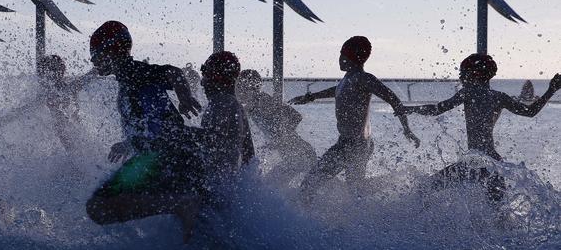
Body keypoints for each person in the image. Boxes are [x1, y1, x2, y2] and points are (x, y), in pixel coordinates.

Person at [84, 21, 203, 243]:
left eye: (96, 53)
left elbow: (173, 73)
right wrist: (129, 143)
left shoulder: (135, 72)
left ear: (113, 51)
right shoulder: (127, 80)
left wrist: (184, 97)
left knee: (99, 207)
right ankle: (180, 206)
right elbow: (150, 125)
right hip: (164, 155)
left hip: (166, 158)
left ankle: (180, 203)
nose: (93, 60)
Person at [398, 54, 561, 201]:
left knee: (425, 188)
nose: (460, 76)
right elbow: (530, 111)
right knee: (500, 216)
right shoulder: (499, 97)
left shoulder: (467, 92)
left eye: (462, 72)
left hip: (474, 161)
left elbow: (437, 109)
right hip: (494, 163)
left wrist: (409, 108)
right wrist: (550, 90)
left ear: (472, 74)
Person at [288, 36, 420, 200]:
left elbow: (393, 99)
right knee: (348, 189)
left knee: (314, 185)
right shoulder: (348, 79)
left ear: (351, 56)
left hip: (356, 145)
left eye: (342, 55)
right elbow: (336, 90)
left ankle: (398, 183)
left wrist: (407, 129)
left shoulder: (364, 78)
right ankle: (396, 183)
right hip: (347, 143)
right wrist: (311, 97)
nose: (339, 59)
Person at [236, 69, 317, 183]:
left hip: (302, 155)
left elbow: (296, 116)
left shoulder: (263, 99)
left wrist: (280, 140)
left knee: (268, 186)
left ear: (249, 87)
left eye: (239, 86)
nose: (238, 91)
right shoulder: (251, 106)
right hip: (294, 158)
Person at [200, 52, 255, 205]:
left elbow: (212, 138)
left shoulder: (222, 102)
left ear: (216, 78)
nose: (201, 83)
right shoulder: (236, 105)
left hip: (212, 190)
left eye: (205, 75)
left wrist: (174, 134)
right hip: (226, 189)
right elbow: (250, 158)